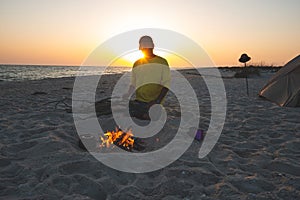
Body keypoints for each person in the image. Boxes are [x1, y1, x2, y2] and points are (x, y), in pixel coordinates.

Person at [123, 36, 171, 120]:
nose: (145, 48)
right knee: (121, 110)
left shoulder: (162, 62)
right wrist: (127, 94)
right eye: (143, 46)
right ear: (140, 48)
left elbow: (166, 85)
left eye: (147, 45)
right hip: (139, 101)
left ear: (152, 46)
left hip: (155, 103)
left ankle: (146, 114)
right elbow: (133, 84)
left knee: (152, 116)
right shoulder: (137, 63)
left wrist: (157, 101)